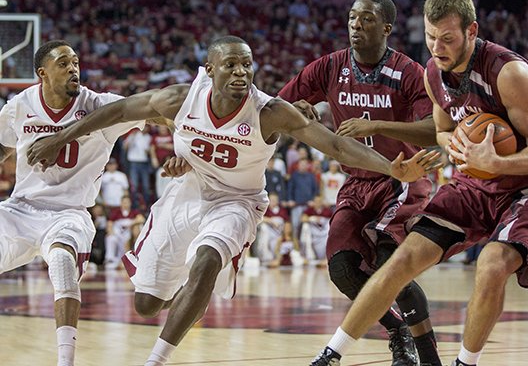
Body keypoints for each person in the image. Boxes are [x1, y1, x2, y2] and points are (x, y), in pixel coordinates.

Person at [27, 36, 439, 366]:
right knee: (146, 304)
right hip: (187, 194)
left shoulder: (269, 112)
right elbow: (117, 113)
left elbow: (335, 145)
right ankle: (192, 295)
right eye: (231, 64)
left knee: (207, 259)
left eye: (247, 64)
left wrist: (392, 168)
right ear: (209, 71)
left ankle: (157, 358)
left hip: (238, 201)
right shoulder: (177, 100)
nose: (242, 72)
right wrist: (61, 137)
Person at [310, 0, 528, 366]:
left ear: (471, 31)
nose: (437, 47)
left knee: (492, 262)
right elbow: (443, 130)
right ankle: (332, 353)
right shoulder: (433, 71)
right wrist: (459, 144)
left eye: (447, 38)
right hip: (476, 183)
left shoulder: (509, 73)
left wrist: (495, 161)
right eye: (431, 37)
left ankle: (465, 363)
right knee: (401, 260)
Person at [279, 0, 441, 366]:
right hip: (356, 182)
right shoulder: (330, 67)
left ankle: (428, 358)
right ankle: (399, 332)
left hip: (402, 179)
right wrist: (296, 110)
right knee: (342, 269)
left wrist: (377, 124)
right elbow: (277, 106)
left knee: (390, 268)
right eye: (352, 17)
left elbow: (432, 129)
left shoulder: (409, 72)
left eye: (366, 19)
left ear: (386, 27)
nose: (356, 25)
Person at [0, 40, 144, 366]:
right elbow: (1, 147)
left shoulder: (99, 105)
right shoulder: (19, 105)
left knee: (63, 263)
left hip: (69, 213)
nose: (73, 68)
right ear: (42, 73)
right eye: (63, 63)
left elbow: (151, 108)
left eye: (76, 62)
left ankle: (65, 361)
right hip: (20, 208)